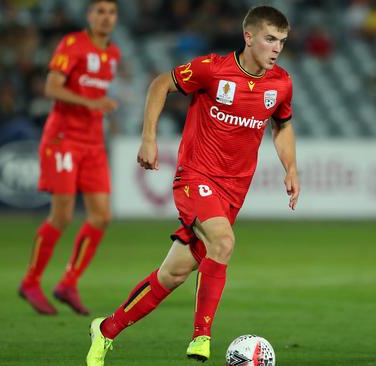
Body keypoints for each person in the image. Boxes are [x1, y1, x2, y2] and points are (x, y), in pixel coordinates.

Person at [86, 5, 299, 365]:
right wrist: (149, 139)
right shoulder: (212, 69)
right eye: (269, 39)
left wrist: (291, 168)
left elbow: (282, 126)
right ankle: (202, 335)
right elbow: (160, 84)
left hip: (233, 192)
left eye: (281, 41)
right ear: (248, 37)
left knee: (173, 274)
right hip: (195, 178)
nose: (276, 48)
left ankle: (105, 330)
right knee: (224, 241)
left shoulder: (280, 83)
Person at [19, 0, 120, 316]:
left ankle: (68, 283)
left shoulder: (112, 54)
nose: (106, 18)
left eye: (111, 12)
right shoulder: (72, 44)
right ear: (88, 16)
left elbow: (96, 95)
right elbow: (51, 87)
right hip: (63, 139)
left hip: (92, 143)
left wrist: (100, 107)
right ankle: (31, 282)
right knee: (61, 215)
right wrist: (88, 103)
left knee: (101, 215)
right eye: (99, 11)